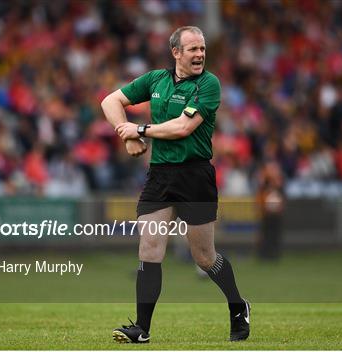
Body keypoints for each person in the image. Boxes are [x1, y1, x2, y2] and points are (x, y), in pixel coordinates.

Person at [101, 26, 250, 344]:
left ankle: (238, 306)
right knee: (149, 248)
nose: (200, 55)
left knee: (204, 257)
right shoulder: (155, 79)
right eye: (193, 49)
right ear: (176, 53)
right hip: (160, 175)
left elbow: (183, 127)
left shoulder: (208, 84)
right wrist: (124, 133)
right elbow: (110, 101)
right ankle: (142, 329)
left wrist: (138, 130)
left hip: (195, 176)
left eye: (203, 49)